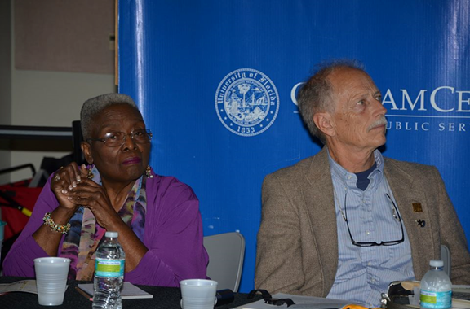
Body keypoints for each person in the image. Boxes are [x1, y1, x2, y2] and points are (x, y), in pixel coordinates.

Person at [255, 61, 470, 307]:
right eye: (361, 103)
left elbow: (461, 270)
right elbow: (276, 292)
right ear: (326, 123)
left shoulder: (424, 181)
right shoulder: (288, 188)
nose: (381, 108)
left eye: (377, 98)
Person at [3, 93, 209, 286]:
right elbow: (15, 275)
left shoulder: (173, 197)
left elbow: (177, 290)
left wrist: (109, 218)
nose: (130, 144)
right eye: (112, 136)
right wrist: (64, 210)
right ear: (88, 152)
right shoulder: (66, 186)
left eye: (138, 133)